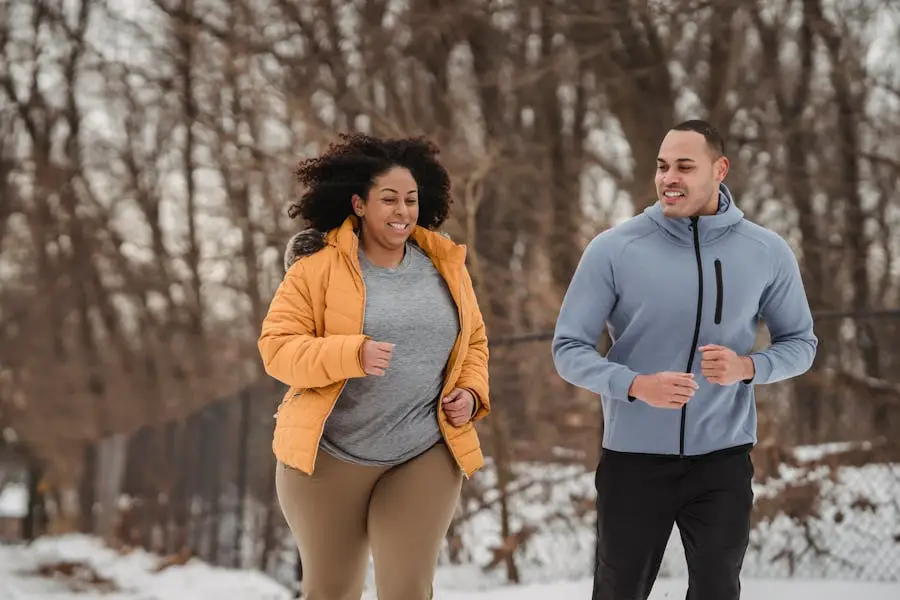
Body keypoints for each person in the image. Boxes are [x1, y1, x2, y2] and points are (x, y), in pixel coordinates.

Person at [552, 119, 818, 600]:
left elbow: (800, 343)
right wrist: (635, 385)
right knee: (618, 590)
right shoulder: (614, 249)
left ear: (720, 169)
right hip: (633, 460)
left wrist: (748, 368)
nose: (668, 177)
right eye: (662, 166)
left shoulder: (766, 251)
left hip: (722, 459)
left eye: (684, 166)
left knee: (718, 589)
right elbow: (568, 350)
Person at [257, 133, 490, 600]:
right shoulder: (315, 269)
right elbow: (277, 349)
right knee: (332, 590)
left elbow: (475, 343)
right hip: (329, 457)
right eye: (389, 199)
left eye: (410, 199)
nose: (402, 210)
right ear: (360, 204)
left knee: (406, 589)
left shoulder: (445, 265)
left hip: (422, 449)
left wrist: (470, 393)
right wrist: (351, 354)